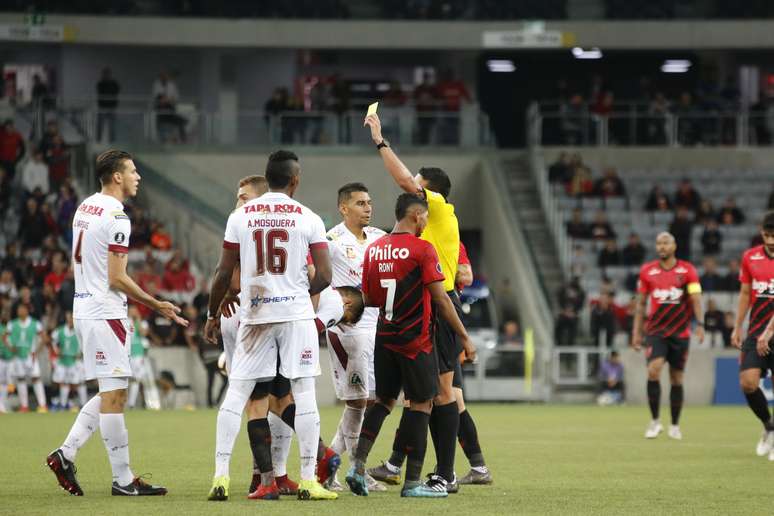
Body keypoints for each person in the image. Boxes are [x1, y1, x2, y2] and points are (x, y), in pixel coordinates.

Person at [46, 149, 187, 497]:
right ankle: (122, 480)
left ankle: (65, 454)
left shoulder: (85, 206)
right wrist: (156, 304)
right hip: (103, 311)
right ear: (117, 177)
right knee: (116, 395)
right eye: (134, 171)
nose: (138, 177)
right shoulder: (117, 217)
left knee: (111, 392)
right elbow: (116, 277)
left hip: (85, 308)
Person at [204, 150, 337, 501]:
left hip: (255, 315)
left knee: (237, 394)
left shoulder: (241, 216)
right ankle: (309, 480)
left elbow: (222, 273)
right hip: (295, 316)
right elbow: (325, 275)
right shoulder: (308, 217)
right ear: (295, 180)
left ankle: (220, 477)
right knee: (303, 393)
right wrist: (297, 293)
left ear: (268, 177)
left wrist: (211, 314)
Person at [364, 112, 476, 493]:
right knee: (431, 393)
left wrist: (380, 140)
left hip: (441, 304)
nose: (415, 193)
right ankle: (423, 468)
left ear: (432, 194)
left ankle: (445, 474)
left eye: (420, 189)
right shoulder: (433, 227)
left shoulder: (440, 206)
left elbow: (403, 181)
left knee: (440, 393)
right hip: (433, 306)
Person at [346, 193, 474, 498]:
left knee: (384, 402)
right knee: (421, 404)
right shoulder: (422, 249)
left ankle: (357, 466)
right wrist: (464, 337)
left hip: (385, 337)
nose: (427, 222)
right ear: (417, 216)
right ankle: (414, 483)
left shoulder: (374, 250)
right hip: (416, 341)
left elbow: (371, 298)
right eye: (426, 217)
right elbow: (442, 299)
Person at [322, 183, 387, 491]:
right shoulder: (331, 240)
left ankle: (329, 467)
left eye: (369, 202)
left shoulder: (379, 238)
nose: (368, 207)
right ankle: (357, 469)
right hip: (348, 329)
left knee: (367, 400)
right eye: (360, 203)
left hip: (378, 326)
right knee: (359, 400)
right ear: (343, 208)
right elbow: (316, 278)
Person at [631, 232, 704, 441]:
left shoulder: (688, 270)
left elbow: (696, 299)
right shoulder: (647, 271)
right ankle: (654, 422)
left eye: (666, 243)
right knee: (653, 371)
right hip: (656, 332)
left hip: (680, 333)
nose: (662, 247)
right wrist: (636, 333)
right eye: (658, 243)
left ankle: (674, 425)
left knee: (676, 378)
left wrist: (700, 323)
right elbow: (641, 303)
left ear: (674, 245)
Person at [731, 211, 774, 460]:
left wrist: (768, 334)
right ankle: (768, 427)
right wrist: (737, 325)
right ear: (761, 233)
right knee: (748, 383)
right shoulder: (750, 257)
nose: (770, 241)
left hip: (768, 333)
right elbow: (746, 293)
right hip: (756, 330)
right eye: (767, 235)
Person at [5, 303, 47, 412]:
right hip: (18, 355)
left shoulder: (35, 324)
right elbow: (5, 337)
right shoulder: (12, 324)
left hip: (30, 355)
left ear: (27, 310)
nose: (20, 311)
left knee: (36, 378)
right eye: (19, 309)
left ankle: (42, 405)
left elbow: (44, 338)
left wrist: (37, 351)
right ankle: (24, 406)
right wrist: (11, 348)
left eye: (22, 309)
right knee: (21, 378)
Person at [51, 311, 87, 410]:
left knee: (78, 383)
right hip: (63, 360)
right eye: (69, 317)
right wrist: (57, 351)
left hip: (76, 361)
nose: (70, 319)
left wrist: (81, 353)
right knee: (62, 382)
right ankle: (63, 404)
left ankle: (79, 404)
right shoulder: (60, 331)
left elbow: (86, 343)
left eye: (72, 317)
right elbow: (53, 340)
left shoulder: (80, 331)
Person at [126, 305, 149, 409]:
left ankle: (131, 404)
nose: (133, 312)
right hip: (126, 354)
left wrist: (138, 319)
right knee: (125, 379)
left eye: (134, 311)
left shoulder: (142, 323)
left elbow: (143, 333)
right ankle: (123, 403)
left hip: (138, 354)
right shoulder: (125, 322)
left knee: (136, 378)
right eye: (131, 311)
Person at [96, 67, 120, 143]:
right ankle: (98, 140)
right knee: (100, 125)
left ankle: (112, 141)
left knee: (112, 126)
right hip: (102, 107)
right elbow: (101, 91)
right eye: (105, 74)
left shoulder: (114, 83)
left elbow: (116, 91)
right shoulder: (100, 83)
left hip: (111, 107)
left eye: (108, 74)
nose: (106, 76)